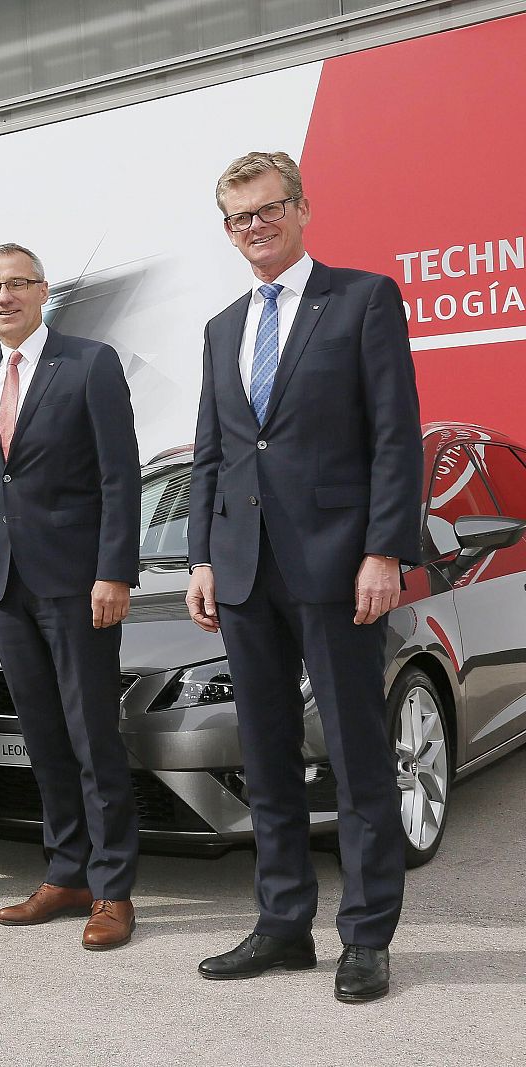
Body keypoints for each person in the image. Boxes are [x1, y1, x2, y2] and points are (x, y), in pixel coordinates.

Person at [186, 151, 422, 1003]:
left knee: (359, 756)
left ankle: (366, 935)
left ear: (301, 208)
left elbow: (396, 434)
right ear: (227, 229)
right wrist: (202, 557)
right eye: (239, 215)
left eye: (268, 208)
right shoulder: (221, 327)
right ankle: (284, 925)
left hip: (337, 568)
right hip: (244, 574)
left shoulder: (361, 300)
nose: (255, 225)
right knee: (269, 757)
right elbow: (212, 451)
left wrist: (384, 549)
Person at [0, 243, 142, 949]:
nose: (3, 297)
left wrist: (114, 569)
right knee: (42, 739)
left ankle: (114, 887)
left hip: (78, 584)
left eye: (15, 284)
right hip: (5, 588)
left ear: (42, 290)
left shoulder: (89, 362)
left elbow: (120, 476)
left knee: (93, 736)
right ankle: (67, 872)